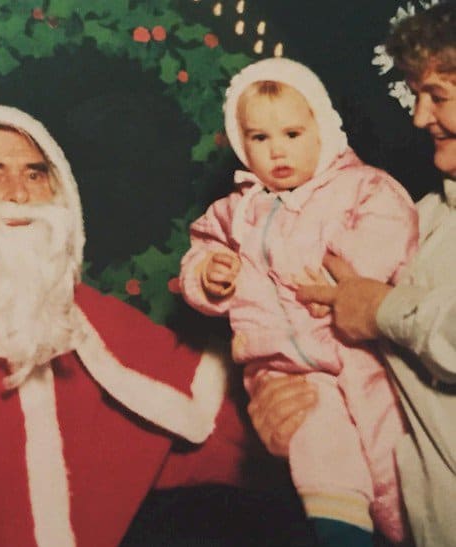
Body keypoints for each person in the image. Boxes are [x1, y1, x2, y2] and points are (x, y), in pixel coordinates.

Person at [0, 105, 264, 547]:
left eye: (36, 175)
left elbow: (212, 429)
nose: (18, 194)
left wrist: (286, 407)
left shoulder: (95, 323)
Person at [179, 56, 419, 545]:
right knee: (320, 450)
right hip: (283, 366)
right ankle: (341, 533)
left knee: (392, 452)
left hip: (358, 353)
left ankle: (410, 530)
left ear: (323, 130)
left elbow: (392, 225)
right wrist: (209, 274)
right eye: (259, 139)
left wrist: (351, 279)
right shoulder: (236, 211)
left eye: (292, 134)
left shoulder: (361, 186)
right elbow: (201, 248)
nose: (277, 152)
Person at [249, 3, 456, 547]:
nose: (419, 117)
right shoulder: (421, 219)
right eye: (417, 96)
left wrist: (381, 309)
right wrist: (295, 412)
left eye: (439, 96)